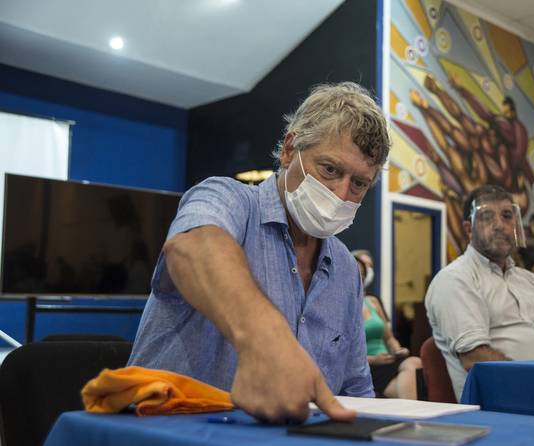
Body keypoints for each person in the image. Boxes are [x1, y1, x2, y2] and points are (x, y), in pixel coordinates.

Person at [128, 82, 391, 424]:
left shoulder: (344, 268)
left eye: (358, 184)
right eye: (329, 169)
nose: (341, 193)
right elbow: (192, 247)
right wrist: (265, 339)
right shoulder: (228, 200)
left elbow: (356, 391)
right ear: (289, 149)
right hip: (172, 439)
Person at [425, 185, 534, 400]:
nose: (499, 225)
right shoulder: (456, 279)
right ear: (468, 229)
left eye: (507, 216)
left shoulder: (530, 281)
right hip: (508, 402)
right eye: (486, 217)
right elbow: (475, 358)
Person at [352, 251, 423, 399]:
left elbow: (389, 338)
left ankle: (408, 415)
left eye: (362, 275)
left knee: (414, 363)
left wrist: (397, 350)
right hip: (366, 364)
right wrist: (373, 359)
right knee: (412, 375)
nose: (359, 279)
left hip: (388, 359)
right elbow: (341, 353)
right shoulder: (340, 307)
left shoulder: (372, 301)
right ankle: (411, 416)